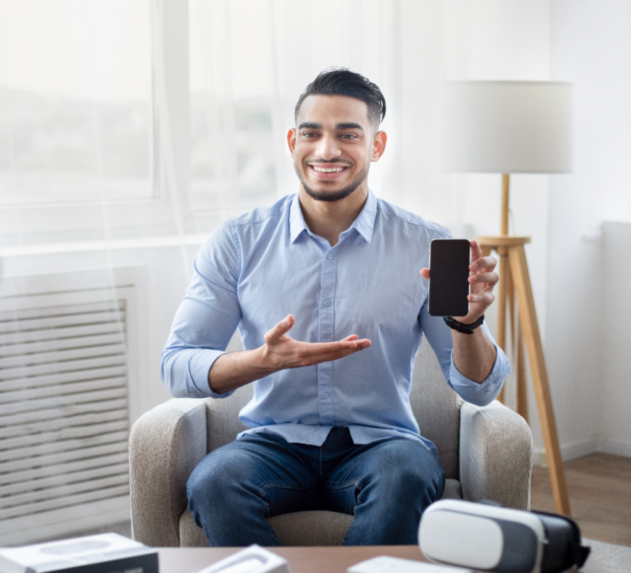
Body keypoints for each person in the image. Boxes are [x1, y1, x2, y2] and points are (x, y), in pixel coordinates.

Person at [161, 68, 511, 547]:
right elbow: (178, 365)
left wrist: (468, 325)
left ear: (377, 146)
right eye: (312, 134)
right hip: (273, 445)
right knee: (214, 483)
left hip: (384, 445)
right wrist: (260, 362)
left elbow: (479, 390)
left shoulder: (424, 243)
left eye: (348, 134)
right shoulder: (239, 242)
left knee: (406, 477)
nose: (327, 151)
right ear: (292, 142)